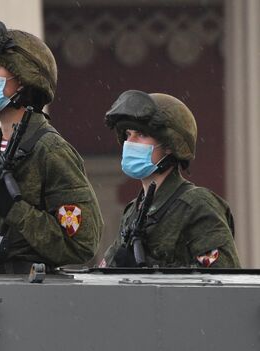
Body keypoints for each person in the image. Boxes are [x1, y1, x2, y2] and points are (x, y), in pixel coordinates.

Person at [0, 20, 103, 274]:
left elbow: (82, 243)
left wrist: (16, 211)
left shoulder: (49, 149)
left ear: (23, 80)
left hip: (29, 292)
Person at [100, 90, 240, 268]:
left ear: (170, 145)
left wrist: (149, 272)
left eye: (141, 135)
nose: (130, 142)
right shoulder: (133, 212)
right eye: (128, 134)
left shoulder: (197, 206)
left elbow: (218, 282)